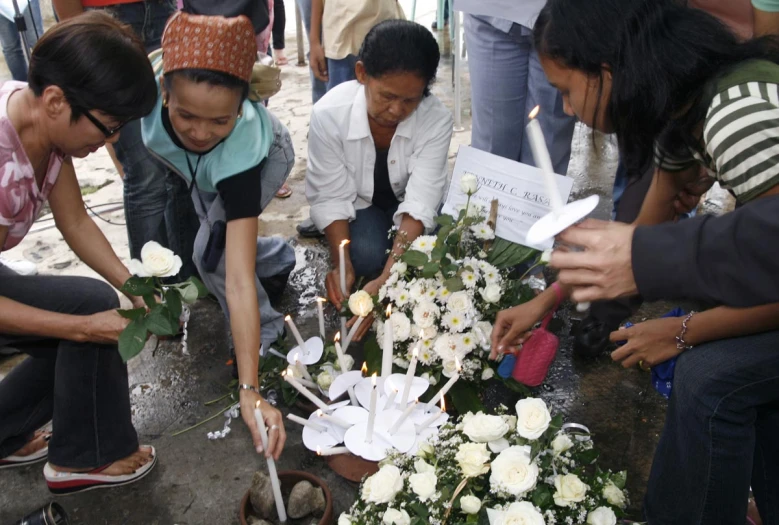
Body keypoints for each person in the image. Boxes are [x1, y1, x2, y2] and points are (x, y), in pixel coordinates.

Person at [494, 1, 779, 523]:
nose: (564, 110)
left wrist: (684, 331)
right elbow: (639, 242)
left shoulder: (735, 116)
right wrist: (550, 298)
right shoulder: (681, 106)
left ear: (606, 73)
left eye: (565, 89)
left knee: (710, 378)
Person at [0, 12, 159, 493]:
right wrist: (83, 328)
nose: (111, 141)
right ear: (55, 100)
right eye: (107, 127)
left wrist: (132, 287)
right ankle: (84, 457)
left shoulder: (43, 130)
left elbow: (74, 220)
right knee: (84, 320)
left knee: (86, 310)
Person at [142, 12, 293, 458]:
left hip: (262, 160)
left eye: (219, 121)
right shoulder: (142, 97)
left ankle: (266, 336)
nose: (200, 133)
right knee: (220, 250)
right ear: (163, 91)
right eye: (186, 115)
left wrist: (250, 386)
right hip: (203, 175)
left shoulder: (242, 147)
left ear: (242, 107)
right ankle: (279, 257)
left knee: (216, 258)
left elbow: (238, 281)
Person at [306, 20, 453, 341]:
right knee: (366, 255)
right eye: (387, 95)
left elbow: (421, 201)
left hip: (408, 204)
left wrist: (388, 278)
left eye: (410, 100)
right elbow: (329, 195)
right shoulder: (329, 114)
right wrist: (341, 264)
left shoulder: (437, 119)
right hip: (361, 203)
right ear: (361, 73)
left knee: (443, 251)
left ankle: (391, 259)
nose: (396, 109)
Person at [53, 0, 199, 282]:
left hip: (163, 12)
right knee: (145, 173)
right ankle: (152, 295)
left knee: (181, 163)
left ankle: (191, 282)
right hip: (107, 18)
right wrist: (80, 33)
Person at [455, 0, 576, 176]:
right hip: (491, 10)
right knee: (493, 143)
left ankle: (540, 203)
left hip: (564, 16)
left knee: (547, 148)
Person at [309, 0, 404, 92]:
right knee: (339, 102)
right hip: (342, 38)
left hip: (384, 26)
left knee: (388, 99)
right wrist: (314, 41)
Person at [0, 0, 43, 81]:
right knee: (10, 48)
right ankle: (21, 83)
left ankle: (48, 80)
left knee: (37, 41)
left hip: (25, 2)